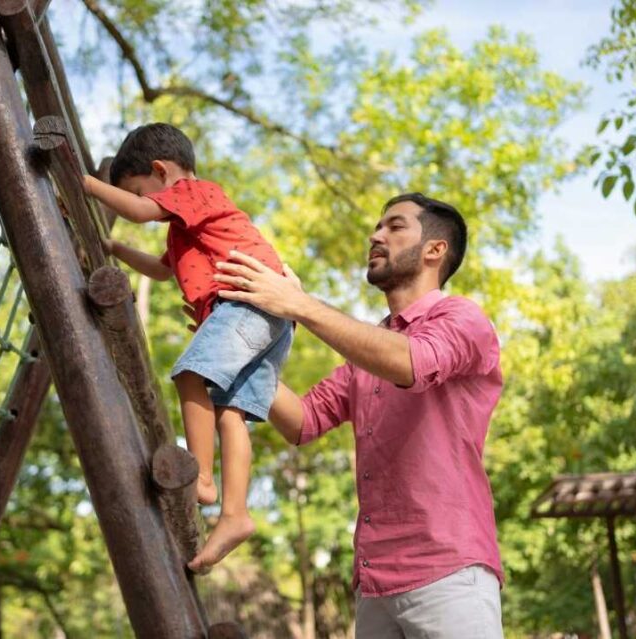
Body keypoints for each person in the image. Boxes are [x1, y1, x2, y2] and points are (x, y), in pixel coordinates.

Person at [213, 193, 505, 638]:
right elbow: (303, 420)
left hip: (449, 574)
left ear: (434, 249)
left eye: (395, 225)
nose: (376, 235)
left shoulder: (462, 318)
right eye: (377, 226)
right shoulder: (366, 355)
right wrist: (236, 347)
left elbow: (413, 362)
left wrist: (299, 304)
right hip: (373, 583)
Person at [81, 123, 293, 572]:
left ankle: (200, 474)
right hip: (268, 316)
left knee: (190, 373)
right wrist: (113, 247)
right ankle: (235, 514)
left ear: (161, 171)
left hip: (247, 303)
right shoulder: (187, 227)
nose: (144, 201)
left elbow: (140, 212)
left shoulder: (196, 192)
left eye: (142, 190)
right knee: (230, 412)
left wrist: (86, 184)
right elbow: (161, 272)